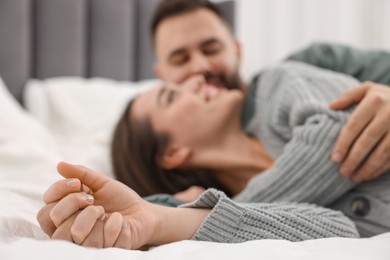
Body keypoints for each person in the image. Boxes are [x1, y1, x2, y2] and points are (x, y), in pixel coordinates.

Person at [37, 0, 390, 249]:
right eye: (180, 61)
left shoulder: (280, 83)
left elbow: (338, 129)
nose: (199, 71)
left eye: (211, 48)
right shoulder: (207, 197)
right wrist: (161, 216)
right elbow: (336, 227)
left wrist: (218, 213)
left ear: (238, 51)